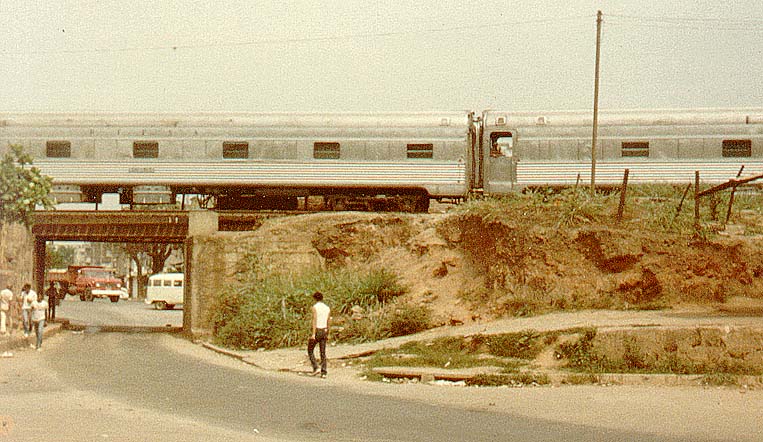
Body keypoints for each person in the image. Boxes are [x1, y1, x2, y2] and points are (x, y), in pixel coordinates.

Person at [307, 291, 331, 378]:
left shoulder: (315, 307)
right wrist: (328, 332)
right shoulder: (327, 308)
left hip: (317, 330)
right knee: (323, 352)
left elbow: (314, 319)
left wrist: (313, 333)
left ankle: (315, 367)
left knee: (310, 349)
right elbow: (328, 320)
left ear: (314, 298)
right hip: (324, 330)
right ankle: (324, 371)